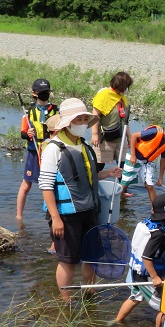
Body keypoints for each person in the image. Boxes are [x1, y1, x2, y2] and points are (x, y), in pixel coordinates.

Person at [38, 98, 119, 301]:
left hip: (90, 211)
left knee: (91, 256)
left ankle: (89, 295)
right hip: (67, 215)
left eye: (85, 119)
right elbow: (46, 185)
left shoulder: (84, 145)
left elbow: (85, 177)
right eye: (78, 119)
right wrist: (55, 218)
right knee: (68, 260)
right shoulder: (53, 149)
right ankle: (66, 302)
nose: (82, 123)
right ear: (67, 122)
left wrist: (107, 173)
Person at [115, 191, 165, 327]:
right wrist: (155, 277)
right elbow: (146, 257)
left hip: (136, 272)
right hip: (147, 276)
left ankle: (117, 322)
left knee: (135, 297)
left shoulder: (147, 224)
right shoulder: (159, 235)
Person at [16, 78, 58, 222]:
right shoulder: (29, 112)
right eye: (41, 92)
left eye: (46, 92)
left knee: (53, 184)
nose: (44, 95)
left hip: (51, 151)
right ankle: (19, 217)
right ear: (34, 94)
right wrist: (28, 134)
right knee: (26, 184)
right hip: (34, 152)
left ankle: (52, 214)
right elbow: (23, 132)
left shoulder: (56, 111)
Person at [120, 119, 165, 203]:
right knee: (124, 184)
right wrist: (133, 155)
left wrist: (161, 178)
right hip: (134, 158)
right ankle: (116, 202)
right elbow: (134, 136)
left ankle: (155, 208)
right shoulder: (154, 132)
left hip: (147, 162)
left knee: (150, 186)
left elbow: (163, 159)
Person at [90, 71, 132, 168]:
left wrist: (129, 137)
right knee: (99, 166)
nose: (127, 89)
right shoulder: (103, 95)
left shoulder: (122, 98)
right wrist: (94, 134)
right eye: (126, 86)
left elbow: (125, 120)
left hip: (120, 139)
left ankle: (120, 179)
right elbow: (95, 116)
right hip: (105, 139)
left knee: (122, 167)